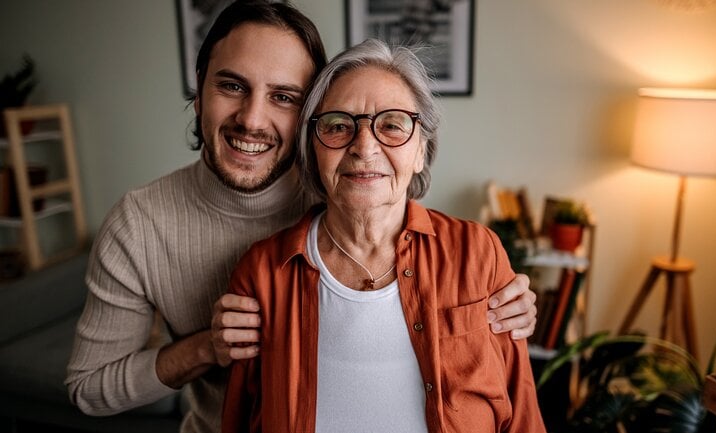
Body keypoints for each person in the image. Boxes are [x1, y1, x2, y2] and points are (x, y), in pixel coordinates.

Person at [65, 2, 537, 433]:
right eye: (231, 85)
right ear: (199, 88)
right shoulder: (147, 226)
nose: (251, 119)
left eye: (284, 96)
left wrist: (492, 284)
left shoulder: (366, 194)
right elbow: (88, 389)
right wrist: (205, 348)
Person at [222, 39, 545, 432]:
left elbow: (522, 411)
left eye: (391, 125)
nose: (364, 147)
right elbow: (239, 420)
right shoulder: (262, 273)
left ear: (421, 150)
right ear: (313, 147)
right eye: (339, 126)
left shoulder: (478, 252)